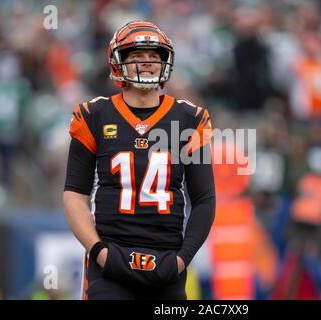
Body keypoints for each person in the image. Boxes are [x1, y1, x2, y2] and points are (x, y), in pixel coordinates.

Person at [63, 20, 216, 300]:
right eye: (136, 56)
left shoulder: (191, 120)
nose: (147, 63)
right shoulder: (94, 115)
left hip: (167, 260)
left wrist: (183, 259)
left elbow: (204, 199)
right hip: (111, 259)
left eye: (153, 56)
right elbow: (75, 194)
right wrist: (98, 251)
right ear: (117, 62)